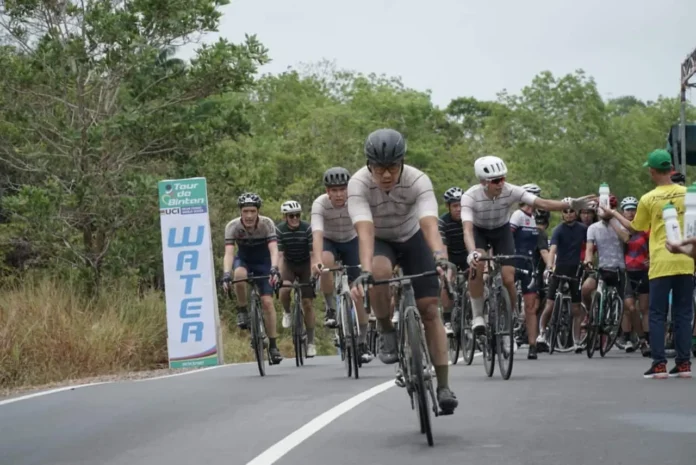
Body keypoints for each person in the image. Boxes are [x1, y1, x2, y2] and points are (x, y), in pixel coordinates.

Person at [348, 128, 458, 414]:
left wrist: (439, 256)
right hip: (380, 239)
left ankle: (444, 386)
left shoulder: (417, 180)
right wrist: (364, 268)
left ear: (402, 162)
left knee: (430, 309)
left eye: (393, 167)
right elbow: (364, 230)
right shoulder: (358, 183)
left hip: (413, 238)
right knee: (379, 270)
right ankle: (386, 329)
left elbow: (430, 224)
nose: (386, 175)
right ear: (368, 165)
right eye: (379, 168)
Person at [460, 155, 594, 348]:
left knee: (508, 277)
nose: (501, 183)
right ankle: (478, 316)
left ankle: (509, 318)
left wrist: (569, 205)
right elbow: (466, 229)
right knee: (477, 265)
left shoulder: (511, 190)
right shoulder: (470, 197)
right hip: (479, 231)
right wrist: (472, 252)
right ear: (483, 182)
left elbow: (542, 204)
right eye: (496, 180)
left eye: (503, 178)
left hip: (501, 230)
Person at [608, 149, 693, 378]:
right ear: (671, 169)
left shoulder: (648, 198)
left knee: (656, 314)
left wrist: (612, 214)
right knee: (684, 313)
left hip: (660, 263)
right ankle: (684, 364)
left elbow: (635, 227)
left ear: (653, 171)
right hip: (686, 259)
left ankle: (659, 365)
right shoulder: (688, 194)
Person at [311, 167, 373, 363]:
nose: (339, 194)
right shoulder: (319, 204)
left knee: (359, 291)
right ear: (327, 191)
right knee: (326, 262)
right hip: (329, 240)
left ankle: (362, 342)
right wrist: (317, 260)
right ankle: (330, 307)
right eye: (334, 190)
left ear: (348, 189)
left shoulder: (356, 201)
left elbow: (365, 231)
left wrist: (367, 261)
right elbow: (317, 234)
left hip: (351, 241)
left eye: (342, 189)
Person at [222, 192, 283, 365]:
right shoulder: (232, 226)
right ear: (241, 212)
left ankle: (273, 346)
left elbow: (273, 249)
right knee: (238, 275)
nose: (249, 215)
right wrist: (226, 273)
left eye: (252, 211)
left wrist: (274, 268)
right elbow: (229, 253)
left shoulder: (267, 224)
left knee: (267, 303)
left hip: (264, 262)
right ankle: (242, 311)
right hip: (244, 260)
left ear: (258, 212)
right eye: (245, 211)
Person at [537, 199, 588, 352]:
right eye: (565, 211)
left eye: (571, 211)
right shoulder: (558, 230)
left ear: (576, 213)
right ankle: (542, 334)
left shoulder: (583, 229)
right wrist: (550, 266)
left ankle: (577, 340)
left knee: (576, 308)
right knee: (550, 304)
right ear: (561, 214)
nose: (568, 214)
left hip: (575, 270)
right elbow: (552, 250)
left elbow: (590, 246)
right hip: (559, 269)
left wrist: (588, 261)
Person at [581, 194, 628, 351]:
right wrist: (588, 260)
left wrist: (613, 219)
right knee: (586, 289)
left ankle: (630, 335)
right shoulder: (593, 228)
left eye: (610, 208)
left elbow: (626, 238)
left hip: (620, 268)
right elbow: (589, 248)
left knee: (626, 303)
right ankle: (590, 313)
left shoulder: (621, 225)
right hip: (602, 267)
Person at [276, 200, 318, 357]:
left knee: (307, 303)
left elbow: (313, 254)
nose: (295, 218)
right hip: (289, 263)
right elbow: (279, 255)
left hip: (305, 263)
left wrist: (314, 271)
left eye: (297, 215)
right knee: (284, 288)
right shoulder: (279, 230)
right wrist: (278, 274)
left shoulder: (307, 228)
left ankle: (311, 342)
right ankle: (286, 311)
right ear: (285, 217)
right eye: (291, 216)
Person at [613, 196, 650, 356]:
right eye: (628, 210)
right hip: (626, 271)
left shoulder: (645, 229)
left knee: (644, 308)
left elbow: (655, 244)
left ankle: (646, 339)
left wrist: (652, 258)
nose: (631, 213)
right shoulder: (619, 229)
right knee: (629, 307)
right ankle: (626, 337)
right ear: (623, 211)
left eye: (633, 209)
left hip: (643, 270)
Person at [510, 183, 544, 359]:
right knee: (509, 300)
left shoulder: (534, 218)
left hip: (529, 265)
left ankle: (532, 344)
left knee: (531, 306)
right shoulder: (518, 215)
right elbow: (508, 236)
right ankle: (506, 334)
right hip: (514, 262)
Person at [438, 186, 467, 335]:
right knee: (447, 280)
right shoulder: (443, 222)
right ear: (448, 207)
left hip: (467, 255)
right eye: (455, 206)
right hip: (450, 255)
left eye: (461, 205)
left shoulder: (469, 219)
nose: (459, 209)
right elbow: (442, 247)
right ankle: (447, 319)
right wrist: (446, 266)